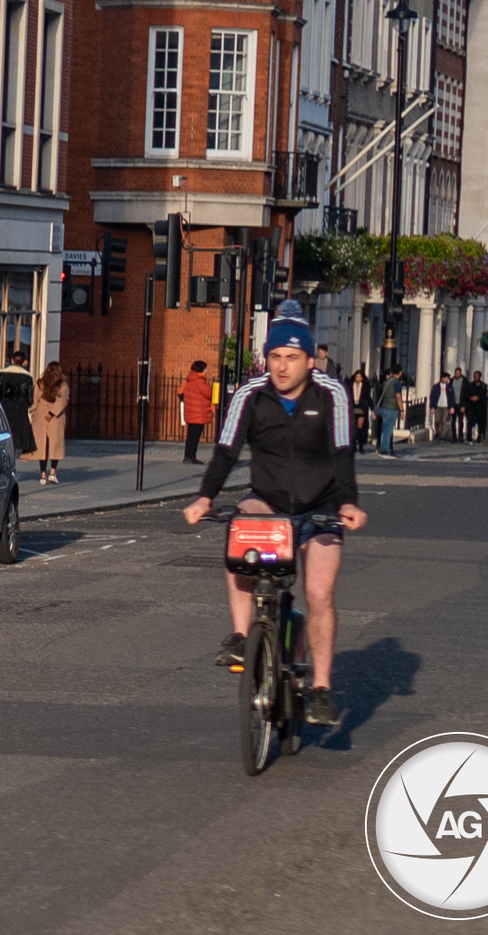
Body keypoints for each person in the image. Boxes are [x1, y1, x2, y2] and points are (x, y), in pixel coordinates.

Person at [184, 305, 366, 727]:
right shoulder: (251, 394)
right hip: (268, 499)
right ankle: (243, 635)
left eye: (292, 358)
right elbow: (227, 450)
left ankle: (320, 687)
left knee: (319, 595)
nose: (282, 367)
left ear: (310, 359)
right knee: (239, 529)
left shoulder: (331, 393)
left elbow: (342, 452)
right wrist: (205, 497)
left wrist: (348, 503)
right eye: (275, 357)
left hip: (320, 505)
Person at [0, 348, 38, 461]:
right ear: (24, 361)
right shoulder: (28, 376)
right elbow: (29, 397)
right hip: (20, 408)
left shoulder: (2, 373)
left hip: (5, 407)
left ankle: (5, 456)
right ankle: (13, 457)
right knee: (18, 437)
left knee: (5, 432)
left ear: (12, 360)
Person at [33, 363, 70, 485]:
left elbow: (35, 400)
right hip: (56, 417)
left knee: (43, 445)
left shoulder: (40, 383)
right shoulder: (62, 385)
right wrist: (53, 412)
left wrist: (33, 412)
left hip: (41, 414)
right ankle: (53, 472)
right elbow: (63, 401)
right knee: (55, 445)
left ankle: (43, 474)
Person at [181, 360, 214, 461]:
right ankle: (192, 457)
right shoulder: (200, 381)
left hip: (191, 413)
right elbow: (208, 393)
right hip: (198, 413)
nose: (206, 371)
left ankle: (187, 456)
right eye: (205, 368)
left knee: (190, 436)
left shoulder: (190, 380)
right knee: (195, 437)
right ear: (201, 369)